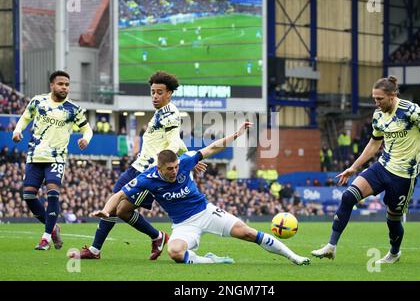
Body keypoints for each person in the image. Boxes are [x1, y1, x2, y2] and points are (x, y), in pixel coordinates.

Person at [93, 122, 310, 266]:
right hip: (183, 224)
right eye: (170, 169)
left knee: (248, 233)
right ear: (159, 169)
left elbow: (212, 148)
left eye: (176, 167)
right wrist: (105, 210)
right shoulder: (147, 179)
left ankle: (294, 257)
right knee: (175, 253)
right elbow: (119, 195)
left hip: (206, 212)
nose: (175, 171)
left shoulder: (185, 161)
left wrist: (235, 135)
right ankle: (212, 261)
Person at [311, 75, 420, 264]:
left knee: (393, 219)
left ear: (392, 96)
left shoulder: (410, 110)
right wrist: (353, 167)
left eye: (380, 99)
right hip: (382, 167)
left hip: (404, 176)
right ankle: (331, 246)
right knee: (348, 196)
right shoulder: (378, 115)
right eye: (374, 99)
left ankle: (394, 253)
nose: (377, 103)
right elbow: (374, 144)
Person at [76, 71, 206, 260]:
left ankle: (95, 250)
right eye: (153, 92)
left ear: (169, 93)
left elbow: (172, 143)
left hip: (148, 171)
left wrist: (166, 166)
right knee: (122, 210)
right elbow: (177, 141)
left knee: (116, 206)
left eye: (159, 92)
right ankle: (158, 236)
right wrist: (190, 157)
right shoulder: (160, 113)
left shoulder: (170, 115)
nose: (155, 96)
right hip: (137, 166)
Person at [12, 70, 93, 250]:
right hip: (35, 156)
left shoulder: (73, 109)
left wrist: (85, 139)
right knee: (28, 195)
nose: (64, 87)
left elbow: (88, 129)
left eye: (66, 84)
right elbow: (25, 118)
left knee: (53, 193)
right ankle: (53, 227)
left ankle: (46, 238)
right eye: (60, 84)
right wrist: (17, 131)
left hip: (56, 158)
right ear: (52, 85)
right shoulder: (38, 101)